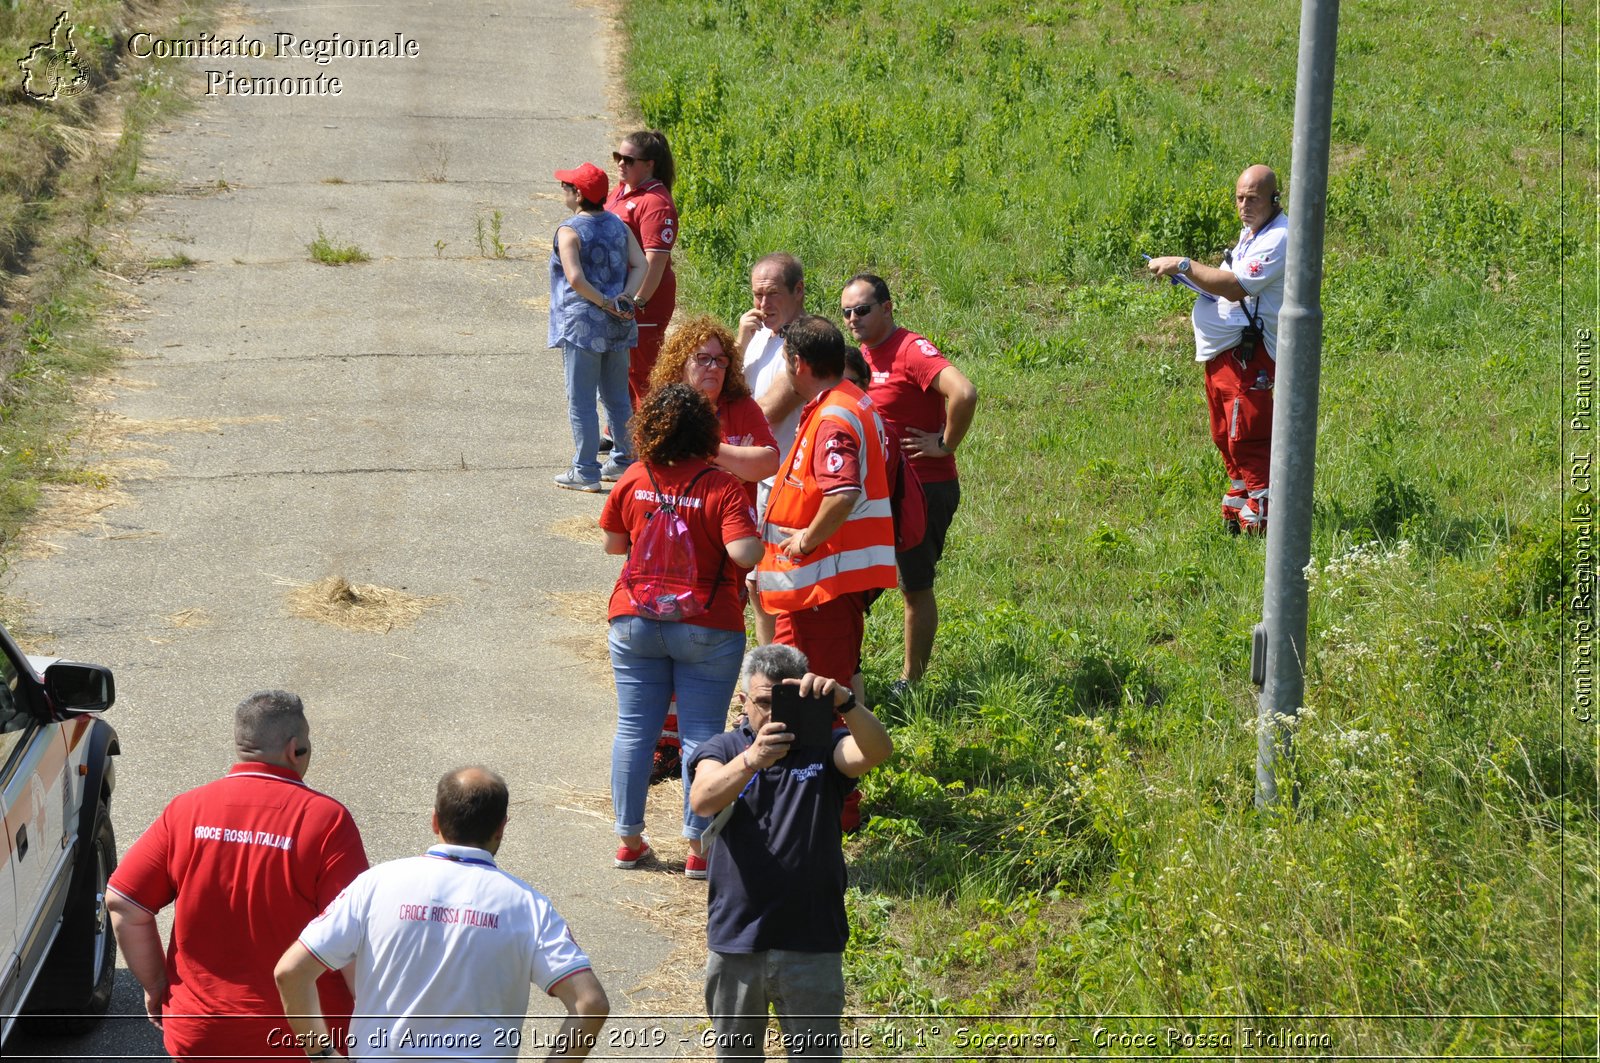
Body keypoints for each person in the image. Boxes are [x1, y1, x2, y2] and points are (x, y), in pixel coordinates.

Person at [275, 767, 609, 1060]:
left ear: (435, 820)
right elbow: (590, 1004)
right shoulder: (529, 907)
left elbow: (291, 972)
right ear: (501, 828)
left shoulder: (374, 884)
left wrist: (322, 1053)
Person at [106, 690, 368, 1060]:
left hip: (201, 1031)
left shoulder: (187, 810)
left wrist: (156, 986)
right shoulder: (326, 821)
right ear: (296, 749)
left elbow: (124, 902)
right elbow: (353, 936)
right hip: (301, 1041)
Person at [687, 644, 893, 1061]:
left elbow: (877, 752)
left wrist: (846, 703)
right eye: (763, 701)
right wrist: (753, 759)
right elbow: (702, 800)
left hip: (812, 939)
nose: (773, 711)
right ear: (743, 702)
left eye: (785, 699)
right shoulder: (725, 748)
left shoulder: (824, 746)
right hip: (738, 939)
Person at [600, 383, 764, 877]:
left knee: (634, 728)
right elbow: (744, 555)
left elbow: (613, 544)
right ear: (707, 433)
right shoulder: (721, 486)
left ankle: (629, 840)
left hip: (634, 618)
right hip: (707, 626)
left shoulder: (633, 477)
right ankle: (700, 847)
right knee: (700, 734)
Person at [838, 276, 977, 691]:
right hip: (880, 490)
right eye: (846, 312)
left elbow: (964, 393)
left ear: (887, 307)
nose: (852, 319)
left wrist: (944, 444)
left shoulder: (909, 350)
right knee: (854, 581)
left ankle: (910, 682)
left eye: (861, 309)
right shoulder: (864, 355)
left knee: (914, 585)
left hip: (922, 488)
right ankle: (843, 666)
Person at [756, 314, 897, 698]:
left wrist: (805, 541)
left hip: (824, 586)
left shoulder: (834, 417)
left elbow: (842, 493)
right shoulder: (849, 402)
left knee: (818, 696)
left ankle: (820, 758)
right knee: (789, 687)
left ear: (799, 364)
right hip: (815, 588)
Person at [1146, 164, 1289, 534]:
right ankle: (1241, 501)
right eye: (1240, 197)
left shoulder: (1279, 238)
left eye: (1253, 198)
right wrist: (1189, 277)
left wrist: (1184, 265)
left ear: (1275, 198)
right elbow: (1220, 283)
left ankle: (1264, 517)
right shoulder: (1251, 234)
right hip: (1224, 354)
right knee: (1224, 435)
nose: (1244, 204)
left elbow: (1236, 286)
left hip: (1250, 355)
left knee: (1248, 435)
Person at [549, 161, 646, 492]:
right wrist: (624, 299)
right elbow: (641, 263)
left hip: (583, 327)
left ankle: (585, 470)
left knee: (581, 400)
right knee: (617, 397)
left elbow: (575, 278)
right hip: (619, 326)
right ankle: (624, 461)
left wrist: (603, 302)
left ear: (578, 194)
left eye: (566, 187)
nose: (563, 190)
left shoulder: (569, 230)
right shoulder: (618, 224)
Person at [735, 252, 809, 646]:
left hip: (788, 484)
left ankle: (782, 674)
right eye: (756, 295)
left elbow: (762, 413)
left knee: (780, 583)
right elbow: (722, 394)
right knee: (756, 583)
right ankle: (767, 670)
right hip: (755, 480)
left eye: (772, 294)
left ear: (798, 291)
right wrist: (741, 341)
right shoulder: (759, 338)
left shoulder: (806, 343)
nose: (762, 305)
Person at [649, 315, 781, 501]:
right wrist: (736, 466)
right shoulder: (664, 406)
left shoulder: (741, 405)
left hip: (734, 520)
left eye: (720, 360)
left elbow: (769, 463)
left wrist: (702, 448)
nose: (713, 367)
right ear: (680, 362)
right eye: (703, 358)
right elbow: (656, 471)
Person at [604, 130, 679, 408]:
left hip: (644, 303)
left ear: (650, 164)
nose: (621, 164)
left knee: (641, 373)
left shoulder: (656, 204)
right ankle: (618, 432)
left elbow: (655, 262)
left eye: (628, 159)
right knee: (619, 368)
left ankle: (646, 438)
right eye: (618, 157)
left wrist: (637, 303)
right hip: (620, 298)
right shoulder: (622, 191)